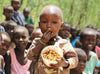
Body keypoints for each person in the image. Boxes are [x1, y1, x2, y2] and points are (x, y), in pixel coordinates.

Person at [27, 5, 78, 74]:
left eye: (54, 22)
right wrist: (42, 42)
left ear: (61, 26)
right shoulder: (37, 41)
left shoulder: (64, 43)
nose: (49, 25)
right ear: (39, 25)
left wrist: (65, 63)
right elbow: (30, 56)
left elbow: (74, 60)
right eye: (44, 22)